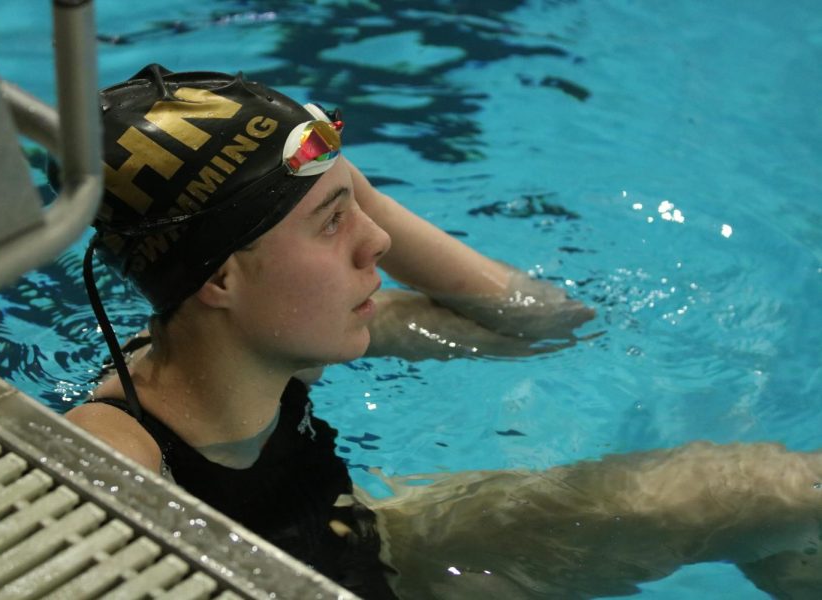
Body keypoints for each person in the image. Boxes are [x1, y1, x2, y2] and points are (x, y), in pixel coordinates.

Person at [67, 65, 822, 599]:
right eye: (334, 224)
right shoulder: (118, 457)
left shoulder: (270, 350)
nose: (380, 244)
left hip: (384, 548)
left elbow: (542, 326)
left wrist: (349, 187)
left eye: (361, 207)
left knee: (767, 491)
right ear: (221, 280)